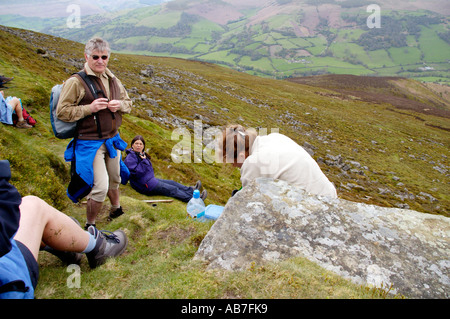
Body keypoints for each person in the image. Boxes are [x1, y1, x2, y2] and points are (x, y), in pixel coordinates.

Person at [0, 160, 128, 299]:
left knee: (30, 208)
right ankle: (97, 246)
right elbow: (8, 207)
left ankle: (62, 242)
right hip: (9, 283)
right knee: (33, 205)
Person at [56, 37, 132, 229]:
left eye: (104, 57)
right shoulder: (76, 82)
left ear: (108, 57)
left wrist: (120, 105)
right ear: (86, 56)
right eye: (95, 57)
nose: (100, 61)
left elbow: (129, 104)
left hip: (112, 139)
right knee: (100, 187)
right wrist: (89, 108)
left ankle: (116, 209)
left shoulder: (113, 79)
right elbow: (62, 111)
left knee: (115, 178)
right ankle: (90, 225)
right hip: (89, 143)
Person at [219, 125, 337, 198]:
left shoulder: (252, 162)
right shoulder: (274, 137)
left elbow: (246, 203)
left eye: (232, 162)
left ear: (241, 155)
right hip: (329, 196)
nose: (235, 166)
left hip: (314, 208)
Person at [124, 135, 207, 202]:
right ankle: (195, 200)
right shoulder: (130, 157)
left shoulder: (140, 155)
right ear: (132, 145)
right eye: (136, 143)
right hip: (144, 186)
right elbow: (136, 173)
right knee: (172, 189)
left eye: (140, 144)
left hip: (150, 180)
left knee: (172, 183)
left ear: (143, 146)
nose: (138, 145)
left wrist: (144, 160)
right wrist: (144, 161)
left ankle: (191, 190)